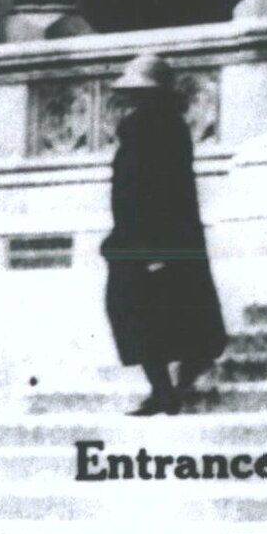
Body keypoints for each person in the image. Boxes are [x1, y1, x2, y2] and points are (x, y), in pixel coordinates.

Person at [101, 51, 227, 415]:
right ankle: (171, 384)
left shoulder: (152, 129)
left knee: (138, 310)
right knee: (158, 311)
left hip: (148, 239)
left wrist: (152, 248)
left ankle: (166, 389)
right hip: (153, 238)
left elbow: (155, 192)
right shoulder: (164, 127)